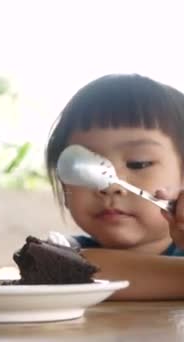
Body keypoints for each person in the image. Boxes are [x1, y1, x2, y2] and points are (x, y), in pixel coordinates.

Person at [45, 73, 184, 299]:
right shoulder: (63, 254)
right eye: (81, 166)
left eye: (138, 163)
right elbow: (79, 270)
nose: (110, 186)